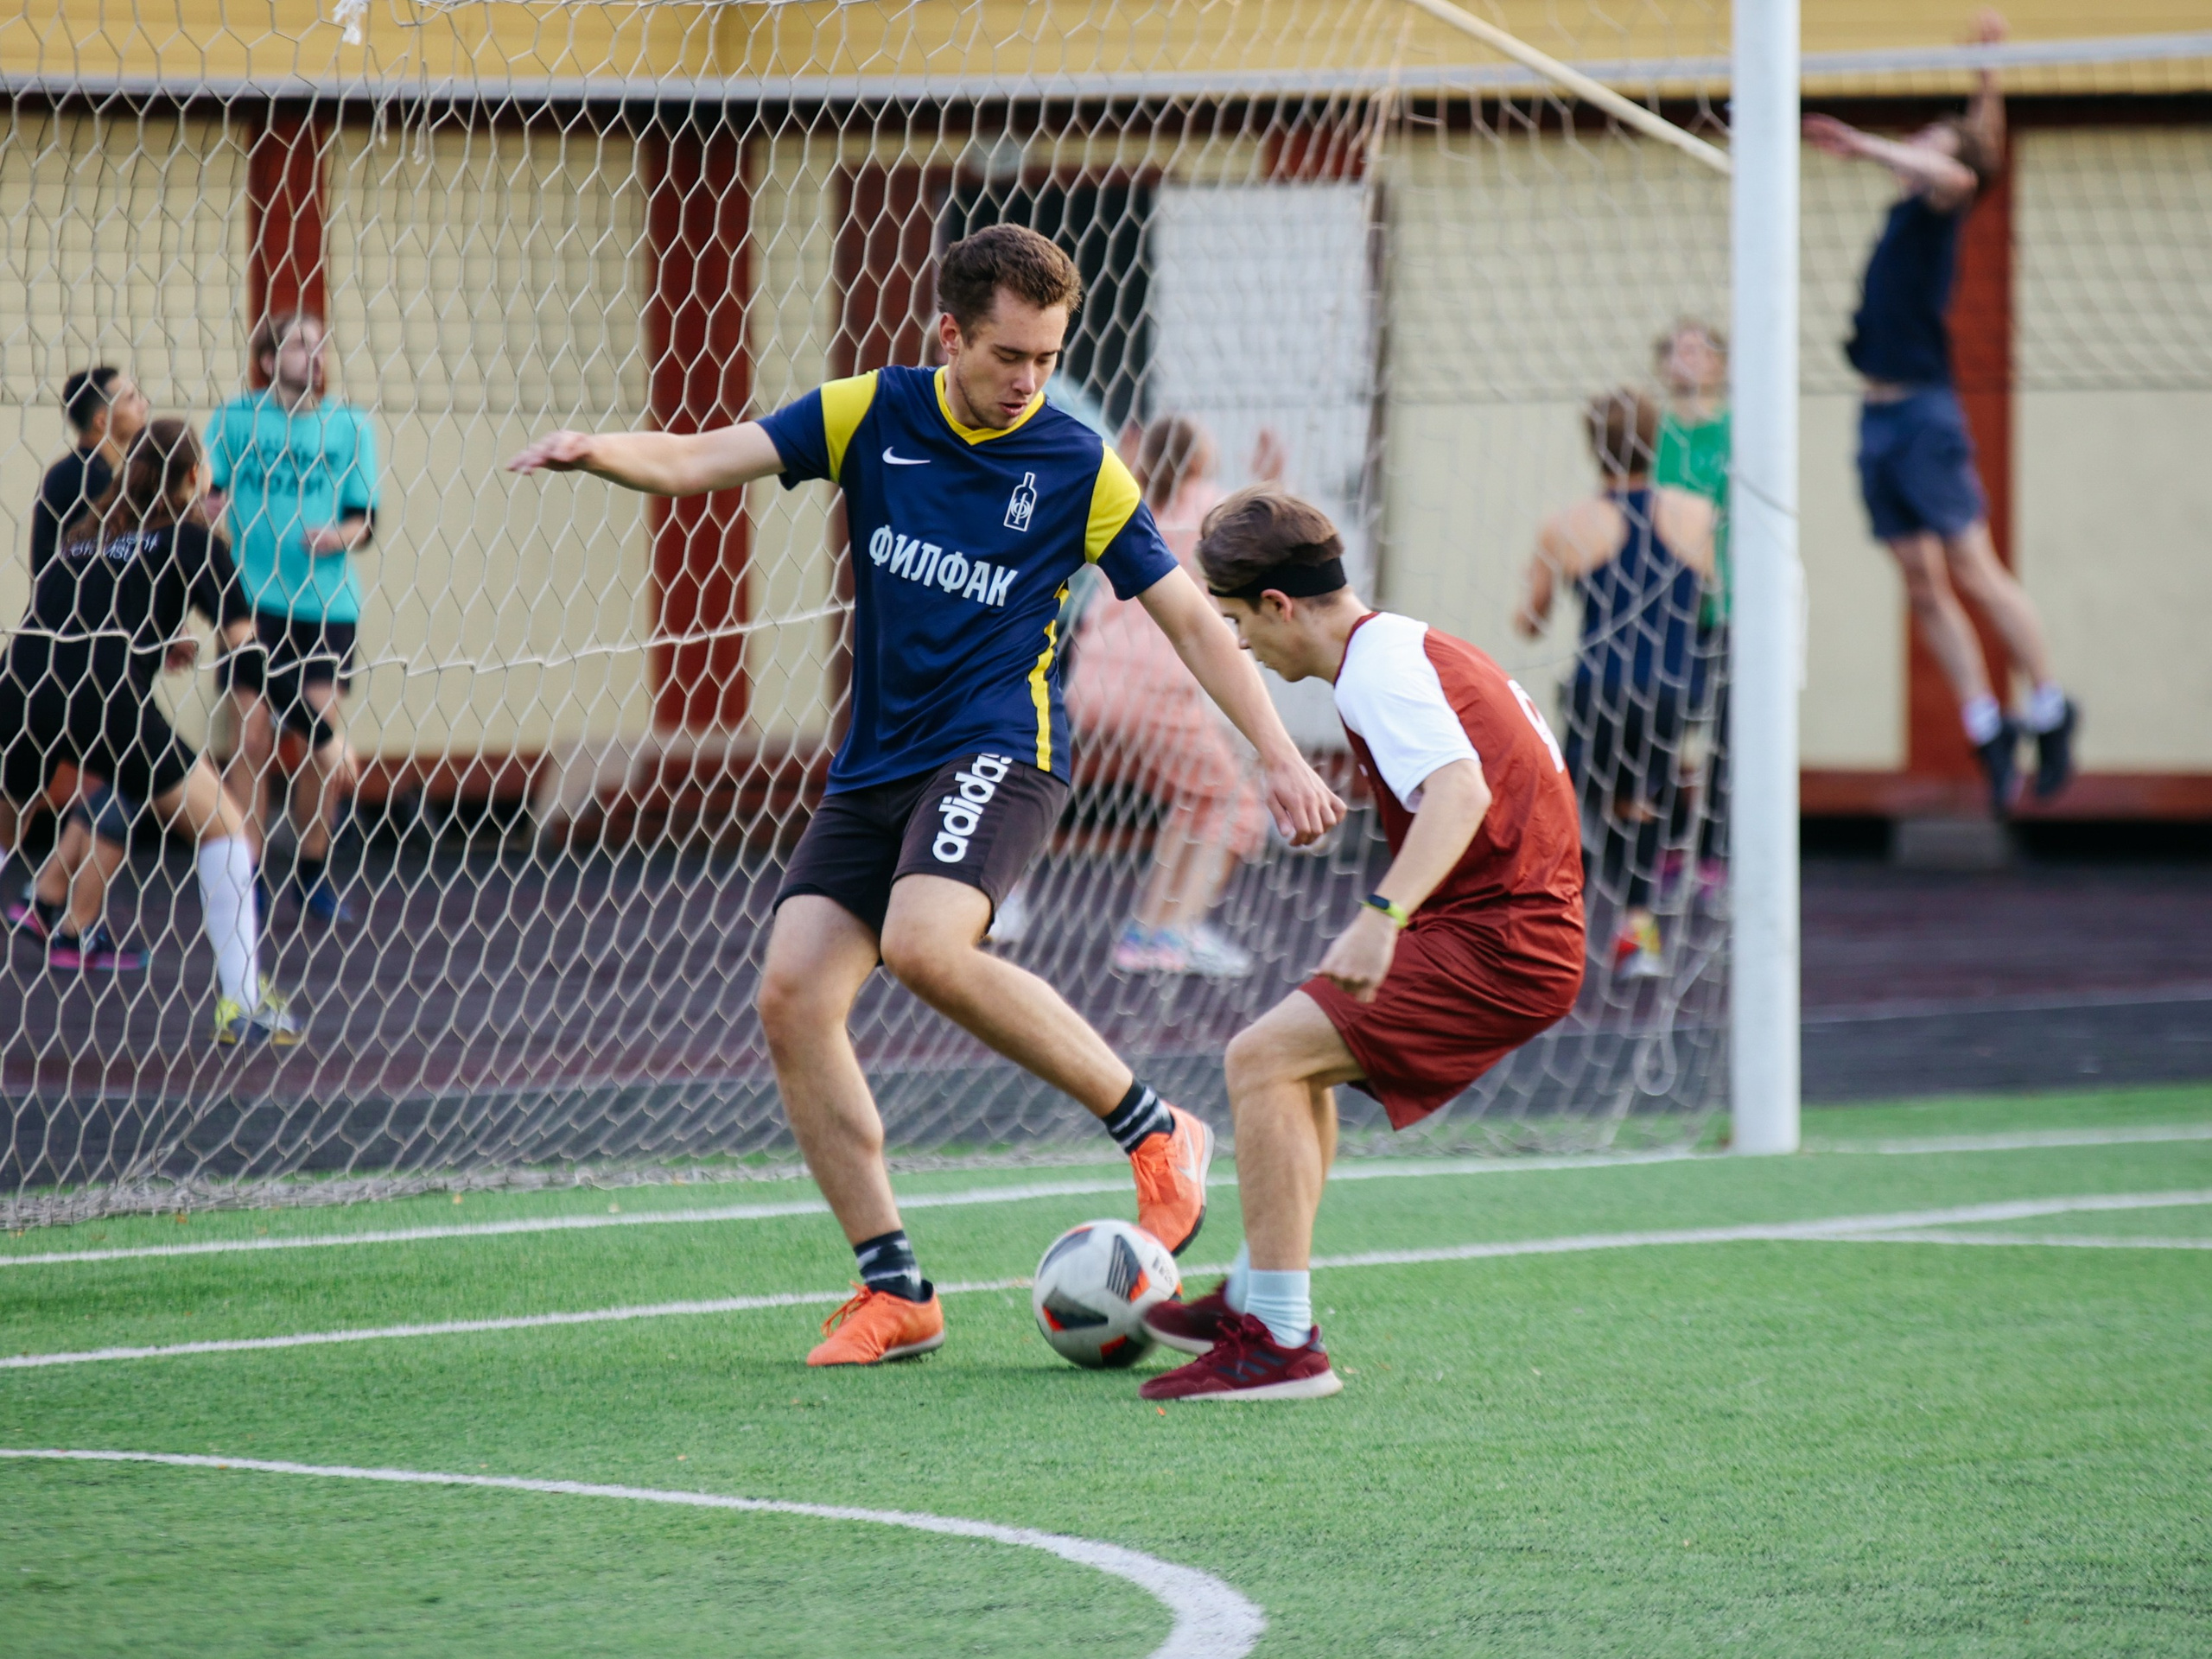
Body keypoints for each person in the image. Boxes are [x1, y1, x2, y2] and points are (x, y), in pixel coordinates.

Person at [509, 225, 1342, 1368]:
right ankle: (896, 1288)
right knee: (793, 996)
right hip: (879, 763)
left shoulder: (1079, 464)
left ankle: (1158, 1132)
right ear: (949, 334)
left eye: (1049, 358)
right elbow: (708, 457)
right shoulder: (872, 414)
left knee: (926, 944)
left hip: (1004, 746)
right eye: (1009, 355)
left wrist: (1281, 754)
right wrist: (596, 448)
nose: (1029, 381)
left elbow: (1193, 618)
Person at [1136, 487, 1585, 1401]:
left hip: (1507, 940)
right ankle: (1261, 1292)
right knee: (1300, 1062)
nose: (1239, 647)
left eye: (1234, 622)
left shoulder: (1375, 672)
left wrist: (1382, 917)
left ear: (1278, 606)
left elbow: (1459, 793)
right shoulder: (1399, 645)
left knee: (1259, 1059)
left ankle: (1281, 1345)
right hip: (1502, 926)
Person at [1804, 7, 2075, 815]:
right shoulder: (1905, 211)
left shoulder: (1936, 210)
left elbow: (1970, 170)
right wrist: (1985, 75)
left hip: (1925, 415)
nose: (1918, 144)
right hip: (1876, 420)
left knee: (1974, 571)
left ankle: (2052, 706)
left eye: (1928, 138)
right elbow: (1975, 144)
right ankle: (1987, 725)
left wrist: (1864, 145)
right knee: (1922, 584)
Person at [0, 419, 298, 1043]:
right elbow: (244, 645)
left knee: (6, 831)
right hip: (106, 702)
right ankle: (241, 1003)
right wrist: (293, 716)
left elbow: (83, 620)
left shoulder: (81, 539)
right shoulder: (194, 540)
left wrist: (155, 647)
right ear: (195, 477)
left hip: (22, 688)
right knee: (227, 828)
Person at [1063, 414, 1274, 977]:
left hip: (1092, 681)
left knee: (1197, 797)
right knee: (1239, 805)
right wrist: (1271, 480)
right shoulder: (1210, 504)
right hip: (1157, 688)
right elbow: (1268, 525)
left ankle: (1147, 929)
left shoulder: (1127, 498)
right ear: (1200, 462)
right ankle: (1176, 933)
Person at [1517, 391, 1715, 981]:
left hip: (1601, 687)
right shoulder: (1698, 514)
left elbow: (1529, 623)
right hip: (1672, 689)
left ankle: (1538, 929)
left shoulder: (1565, 526)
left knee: (1567, 804)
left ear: (1592, 447)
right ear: (1655, 442)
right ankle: (1637, 935)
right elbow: (1705, 596)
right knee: (1640, 804)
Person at [207, 309, 378, 924]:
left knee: (315, 743)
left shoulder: (351, 428)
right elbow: (208, 496)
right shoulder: (234, 419)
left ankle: (312, 870)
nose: (315, 356)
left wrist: (339, 535)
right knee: (251, 738)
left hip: (324, 607)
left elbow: (364, 520)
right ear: (268, 359)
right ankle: (245, 878)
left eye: (320, 347)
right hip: (251, 604)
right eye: (301, 345)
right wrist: (208, 508)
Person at [7, 366, 154, 970]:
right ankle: (73, 932)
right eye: (133, 395)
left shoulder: (83, 476)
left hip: (61, 661)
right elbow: (107, 577)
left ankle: (46, 903)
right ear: (103, 419)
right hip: (78, 666)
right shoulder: (98, 482)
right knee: (117, 787)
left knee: (88, 788)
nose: (144, 401)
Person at [1652, 319, 1731, 892]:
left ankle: (1714, 851)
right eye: (1677, 351)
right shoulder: (1652, 436)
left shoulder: (1736, 434)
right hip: (1660, 610)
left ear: (1718, 365)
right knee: (1660, 725)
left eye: (1698, 350)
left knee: (1725, 729)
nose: (1687, 360)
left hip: (1723, 607)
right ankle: (1666, 841)